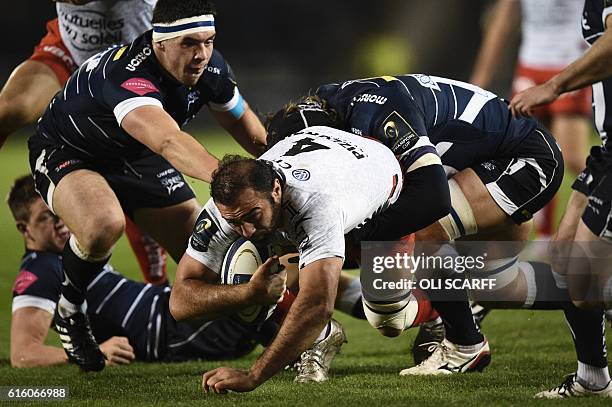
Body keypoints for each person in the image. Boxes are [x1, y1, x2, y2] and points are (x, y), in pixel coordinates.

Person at [28, 0, 267, 372]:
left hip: (136, 156)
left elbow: (243, 123)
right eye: (190, 43)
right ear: (160, 44)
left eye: (209, 41)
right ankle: (70, 311)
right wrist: (234, 184)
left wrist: (276, 167)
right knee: (102, 224)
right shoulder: (128, 75)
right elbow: (170, 143)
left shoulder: (211, 66)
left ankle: (276, 332)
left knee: (217, 255)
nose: (202, 54)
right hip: (71, 151)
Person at [281, 73, 563, 373]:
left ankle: (464, 343)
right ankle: (596, 292)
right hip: (481, 166)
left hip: (523, 158)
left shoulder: (374, 115)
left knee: (424, 233)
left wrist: (363, 238)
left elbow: (432, 198)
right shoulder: (342, 109)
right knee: (499, 286)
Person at [168, 123, 478, 394]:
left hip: (383, 199)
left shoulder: (316, 203)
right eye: (235, 222)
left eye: (251, 216)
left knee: (388, 318)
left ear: (276, 189)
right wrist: (248, 293)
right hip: (325, 171)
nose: (245, 230)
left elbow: (318, 305)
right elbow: (180, 303)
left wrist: (253, 376)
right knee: (242, 274)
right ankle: (320, 336)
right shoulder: (229, 209)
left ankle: (441, 308)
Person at [8, 175, 275, 368]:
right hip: (169, 333)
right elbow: (23, 353)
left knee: (255, 264)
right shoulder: (38, 270)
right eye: (45, 217)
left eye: (59, 213)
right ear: (23, 229)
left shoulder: (73, 254)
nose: (60, 224)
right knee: (259, 263)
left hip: (168, 310)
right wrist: (91, 350)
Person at [0, 0, 170, 285]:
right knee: (8, 108)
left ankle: (159, 298)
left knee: (139, 184)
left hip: (133, 65)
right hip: (70, 53)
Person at [509, 0, 612, 398]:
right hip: (606, 150)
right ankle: (592, 379)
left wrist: (553, 85)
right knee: (565, 255)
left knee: (585, 282)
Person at [471, 0, 593, 238]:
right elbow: (502, 21)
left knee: (573, 158)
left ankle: (598, 221)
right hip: (530, 67)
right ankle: (544, 237)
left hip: (569, 65)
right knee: (523, 153)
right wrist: (480, 80)